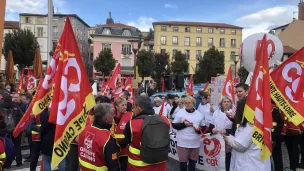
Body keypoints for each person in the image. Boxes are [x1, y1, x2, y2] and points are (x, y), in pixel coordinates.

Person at [119, 96, 170, 171]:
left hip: (138, 166)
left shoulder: (132, 124)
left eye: (134, 107)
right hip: (160, 164)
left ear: (138, 108)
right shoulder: (165, 120)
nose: (133, 109)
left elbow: (127, 140)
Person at [224, 98, 271, 171]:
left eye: (237, 109)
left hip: (250, 165)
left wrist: (227, 138)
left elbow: (240, 146)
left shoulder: (250, 127)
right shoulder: (260, 123)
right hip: (258, 163)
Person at [78, 103, 120, 171]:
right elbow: (113, 166)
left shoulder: (84, 130)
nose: (114, 116)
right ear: (106, 118)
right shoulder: (108, 139)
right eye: (112, 114)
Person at [172, 96, 204, 171]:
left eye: (189, 103)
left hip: (195, 143)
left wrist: (198, 129)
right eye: (186, 103)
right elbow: (174, 125)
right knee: (183, 163)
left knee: (192, 163)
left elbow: (204, 127)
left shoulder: (199, 114)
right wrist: (184, 124)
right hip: (182, 143)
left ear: (193, 103)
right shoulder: (180, 112)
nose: (187, 104)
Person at [0, 93, 23, 167]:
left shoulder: (1, 107)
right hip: (15, 129)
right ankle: (19, 161)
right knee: (17, 145)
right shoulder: (15, 106)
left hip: (4, 130)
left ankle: (8, 163)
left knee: (5, 146)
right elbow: (22, 116)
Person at [212, 96, 234, 171]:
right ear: (221, 104)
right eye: (224, 102)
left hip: (229, 138)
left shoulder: (233, 112)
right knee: (218, 157)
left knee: (228, 157)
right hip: (218, 138)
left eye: (228, 101)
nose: (226, 103)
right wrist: (212, 129)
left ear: (231, 103)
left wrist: (227, 131)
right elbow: (211, 125)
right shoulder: (216, 112)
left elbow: (236, 127)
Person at [113, 97, 133, 171]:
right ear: (116, 106)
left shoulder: (130, 116)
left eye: (125, 105)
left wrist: (123, 144)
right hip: (113, 149)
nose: (125, 107)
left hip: (125, 150)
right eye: (122, 105)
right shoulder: (111, 117)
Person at [271, 101, 284, 171]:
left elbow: (280, 122)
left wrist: (274, 137)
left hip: (274, 137)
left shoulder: (272, 108)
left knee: (277, 157)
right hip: (262, 137)